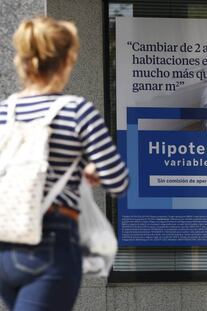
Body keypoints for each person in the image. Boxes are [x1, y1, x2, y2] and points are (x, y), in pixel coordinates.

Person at [0, 17, 129, 310]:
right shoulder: (76, 111)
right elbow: (118, 182)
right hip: (51, 242)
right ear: (67, 60)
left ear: (22, 59)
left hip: (5, 242)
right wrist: (95, 170)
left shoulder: (4, 112)